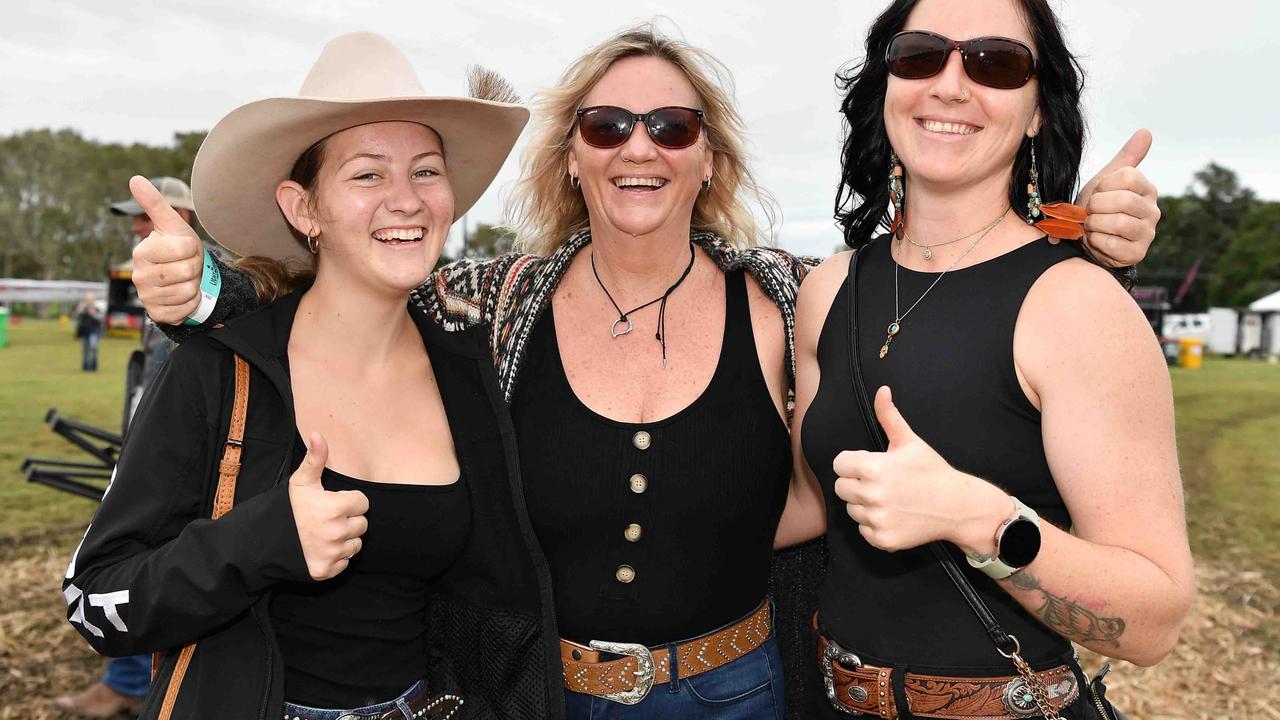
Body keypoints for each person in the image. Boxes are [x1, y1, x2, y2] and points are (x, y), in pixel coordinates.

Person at [126, 25, 1162, 719]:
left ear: (706, 158)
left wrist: (1076, 229)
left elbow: (941, 271)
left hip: (739, 691)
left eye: (672, 127)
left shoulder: (789, 297)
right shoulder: (485, 305)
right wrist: (208, 285)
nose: (640, 147)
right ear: (571, 155)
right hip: (542, 692)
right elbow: (342, 299)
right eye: (606, 126)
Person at [62, 32, 564, 720]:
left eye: (425, 171)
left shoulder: (472, 371)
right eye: (367, 175)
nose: (406, 199)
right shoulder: (221, 372)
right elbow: (94, 601)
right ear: (304, 209)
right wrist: (257, 543)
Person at [791, 1, 1193, 717]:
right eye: (920, 55)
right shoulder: (828, 288)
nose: (950, 84)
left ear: (1039, 111)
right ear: (888, 81)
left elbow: (1154, 620)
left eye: (996, 63)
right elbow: (806, 505)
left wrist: (978, 518)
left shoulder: (1076, 304)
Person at [72, 292, 104, 373]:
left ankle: (93, 366)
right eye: (88, 299)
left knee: (93, 348)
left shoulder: (97, 308)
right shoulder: (83, 308)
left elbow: (102, 319)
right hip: (84, 331)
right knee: (85, 350)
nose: (89, 300)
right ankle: (85, 367)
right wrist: (79, 310)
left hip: (94, 331)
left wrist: (94, 314)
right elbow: (76, 316)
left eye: (91, 299)